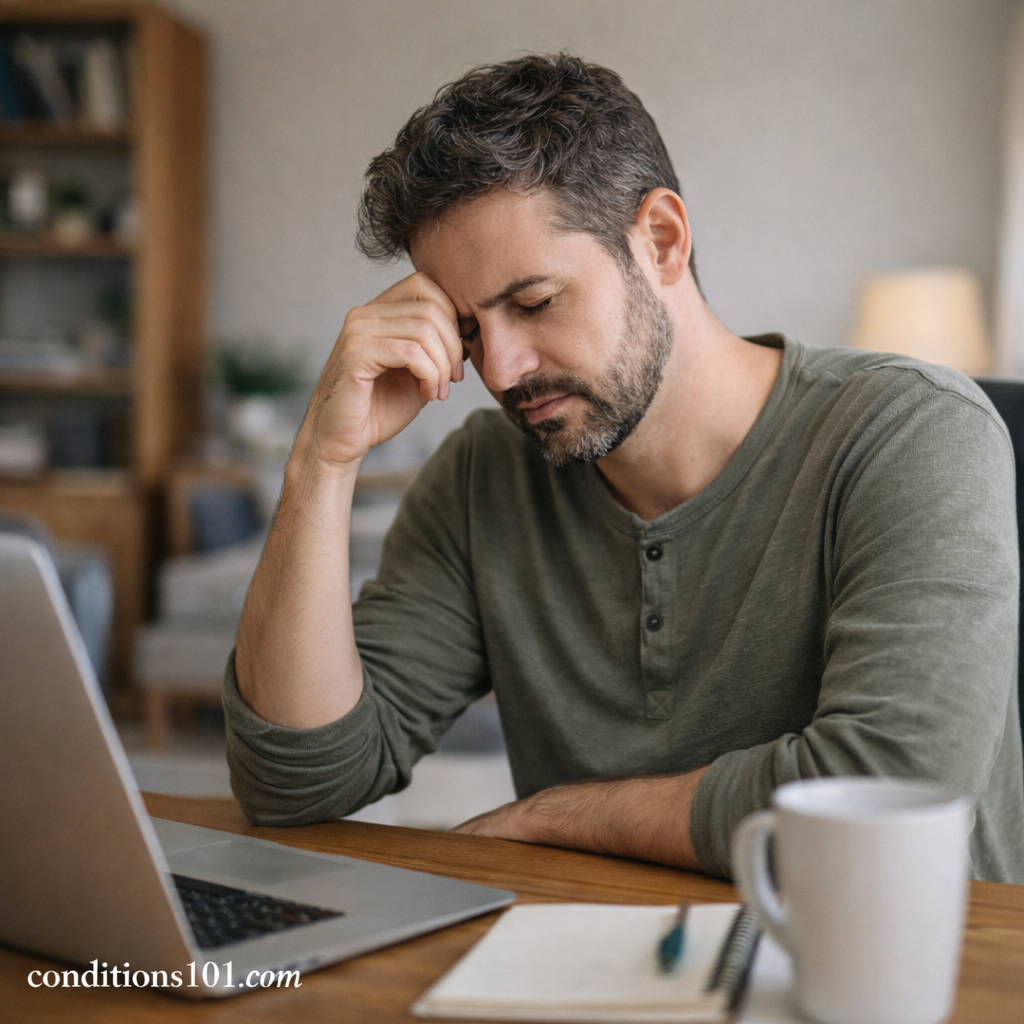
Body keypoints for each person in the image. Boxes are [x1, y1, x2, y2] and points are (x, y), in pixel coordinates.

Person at [226, 54, 1024, 882]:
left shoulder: (910, 432)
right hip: (585, 964)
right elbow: (297, 781)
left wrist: (557, 813)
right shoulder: (482, 478)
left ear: (663, 240)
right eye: (469, 328)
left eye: (533, 303)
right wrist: (321, 461)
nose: (499, 370)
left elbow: (892, 790)